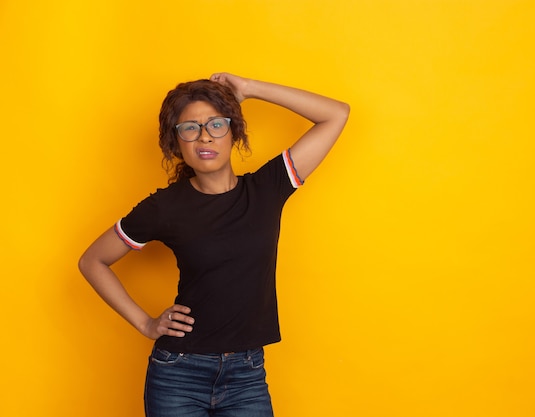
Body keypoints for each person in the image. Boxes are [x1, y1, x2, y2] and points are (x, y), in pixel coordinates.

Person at [78, 72, 349, 417]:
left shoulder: (267, 190)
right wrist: (146, 323)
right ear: (176, 144)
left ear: (234, 131)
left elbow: (336, 114)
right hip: (178, 373)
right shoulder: (164, 208)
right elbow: (92, 261)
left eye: (216, 125)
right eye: (189, 128)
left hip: (247, 375)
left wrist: (249, 89)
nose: (204, 136)